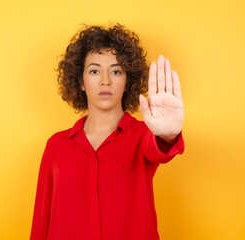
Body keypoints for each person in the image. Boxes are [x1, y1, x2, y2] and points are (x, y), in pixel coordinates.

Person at [30, 23, 185, 240]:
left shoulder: (143, 135)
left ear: (127, 79)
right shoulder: (56, 146)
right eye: (94, 71)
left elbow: (159, 148)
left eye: (116, 71)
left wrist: (168, 133)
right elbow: (41, 222)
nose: (105, 81)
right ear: (80, 81)